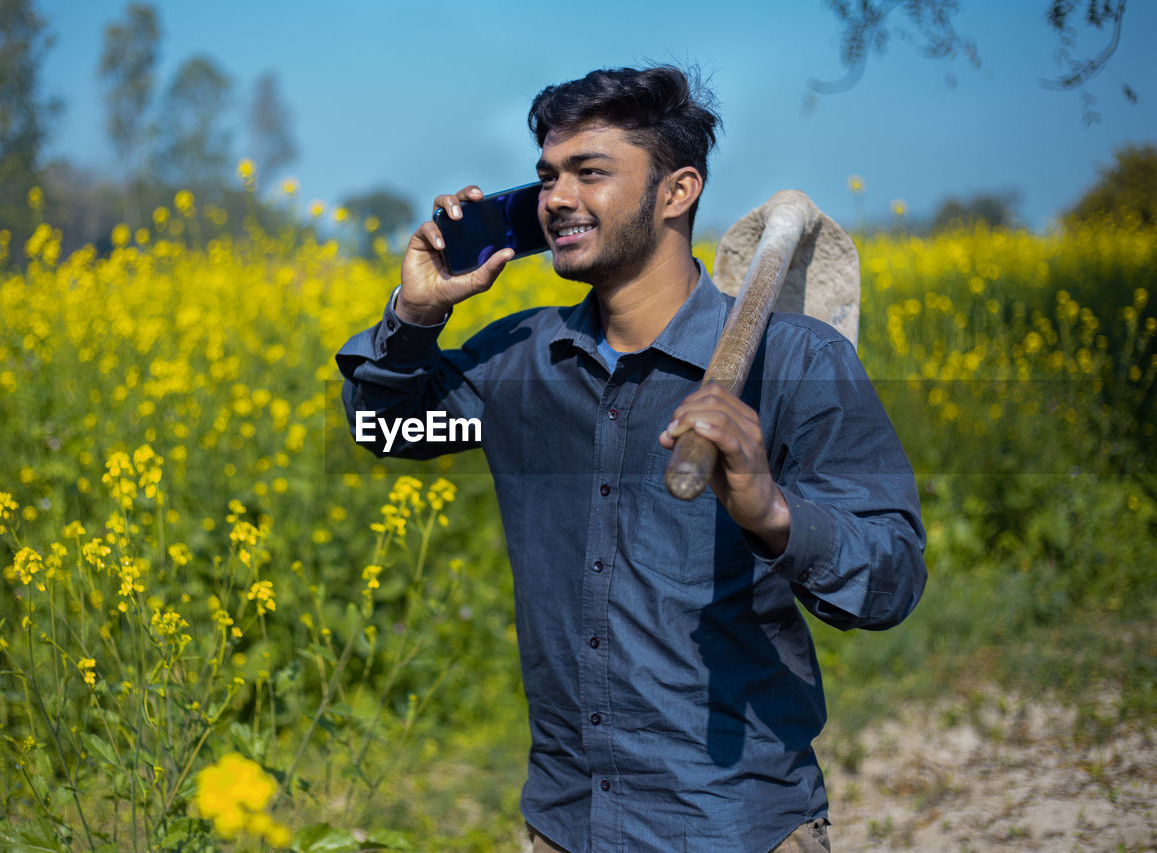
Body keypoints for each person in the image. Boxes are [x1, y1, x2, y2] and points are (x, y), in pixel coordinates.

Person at [336, 65, 926, 853]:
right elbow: (387, 431)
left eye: (590, 172)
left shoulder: (791, 359)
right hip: (565, 823)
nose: (555, 198)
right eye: (547, 176)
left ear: (678, 191)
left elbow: (890, 577)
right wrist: (415, 316)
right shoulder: (520, 358)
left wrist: (772, 514)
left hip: (734, 824)